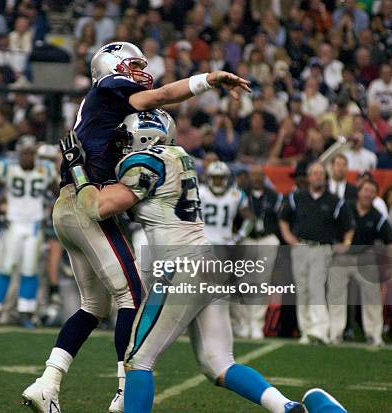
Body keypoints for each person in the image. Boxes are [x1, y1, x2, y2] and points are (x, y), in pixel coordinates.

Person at [21, 41, 250, 413]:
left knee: (93, 305)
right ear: (112, 66)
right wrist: (207, 80)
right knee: (131, 295)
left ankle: (48, 382)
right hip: (87, 204)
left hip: (69, 204)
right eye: (134, 64)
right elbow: (157, 97)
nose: (141, 71)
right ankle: (125, 390)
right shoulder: (111, 88)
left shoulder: (102, 103)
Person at [65, 110, 305, 413]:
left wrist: (77, 169)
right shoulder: (180, 156)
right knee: (218, 363)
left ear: (147, 137)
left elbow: (97, 207)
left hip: (179, 267)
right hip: (209, 263)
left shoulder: (144, 160)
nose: (122, 144)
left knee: (138, 359)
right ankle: (284, 406)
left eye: (126, 138)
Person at [0, 136, 58, 327]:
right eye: (24, 153)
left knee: (29, 269)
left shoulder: (45, 170)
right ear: (18, 154)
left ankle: (26, 311)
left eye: (30, 154)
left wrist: (53, 209)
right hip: (14, 223)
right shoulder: (8, 168)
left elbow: (59, 191)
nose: (27, 157)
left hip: (34, 225)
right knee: (6, 267)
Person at [278, 162, 355, 344]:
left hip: (322, 249)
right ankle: (306, 330)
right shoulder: (297, 197)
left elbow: (349, 225)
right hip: (301, 247)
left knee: (316, 287)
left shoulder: (334, 200)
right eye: (314, 173)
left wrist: (347, 243)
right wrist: (289, 238)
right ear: (308, 177)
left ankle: (319, 329)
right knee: (302, 290)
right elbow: (283, 219)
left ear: (325, 177)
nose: (318, 176)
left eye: (321, 173)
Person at [327, 179, 391, 347]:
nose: (368, 194)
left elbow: (388, 241)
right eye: (365, 190)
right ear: (359, 192)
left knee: (373, 298)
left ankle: (374, 335)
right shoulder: (345, 208)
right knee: (336, 296)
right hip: (342, 258)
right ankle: (335, 333)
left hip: (366, 259)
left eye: (371, 191)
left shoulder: (378, 216)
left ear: (375, 195)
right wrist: (334, 244)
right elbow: (329, 226)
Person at [235, 165, 283, 340]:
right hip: (247, 240)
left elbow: (280, 220)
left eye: (260, 175)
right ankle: (244, 323)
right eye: (253, 175)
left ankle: (257, 324)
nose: (256, 178)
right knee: (244, 282)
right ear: (249, 177)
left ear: (264, 177)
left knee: (262, 282)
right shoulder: (241, 194)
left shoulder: (273, 196)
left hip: (266, 239)